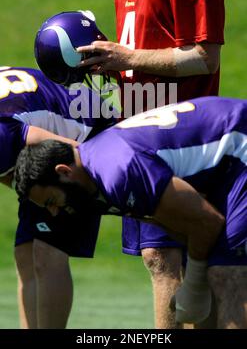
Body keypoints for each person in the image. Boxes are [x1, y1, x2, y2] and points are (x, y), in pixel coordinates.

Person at [76, 0, 225, 328]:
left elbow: (204, 56)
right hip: (139, 128)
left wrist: (127, 58)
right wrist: (108, 65)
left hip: (182, 130)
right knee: (158, 256)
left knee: (170, 253)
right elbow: (138, 56)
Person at [14, 96, 247, 329]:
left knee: (227, 274)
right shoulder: (94, 179)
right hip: (222, 164)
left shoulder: (118, 172)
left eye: (52, 201)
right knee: (211, 270)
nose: (55, 213)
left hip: (238, 139)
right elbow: (177, 225)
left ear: (64, 171)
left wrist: (194, 281)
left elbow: (207, 222)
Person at [0, 65, 115, 328]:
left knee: (46, 250)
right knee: (26, 253)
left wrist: (98, 167)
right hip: (44, 143)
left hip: (89, 134)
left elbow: (61, 149)